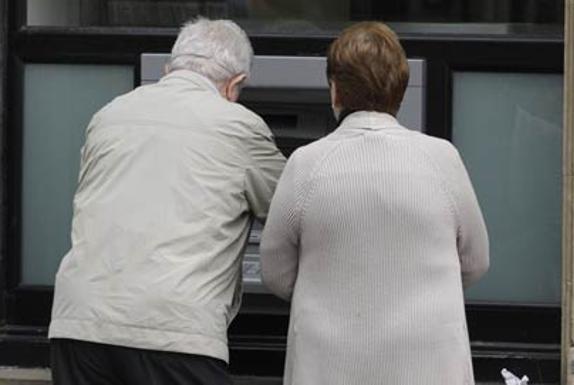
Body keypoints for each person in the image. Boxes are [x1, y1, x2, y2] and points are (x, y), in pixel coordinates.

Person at [49, 18, 286, 385]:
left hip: (80, 325)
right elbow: (289, 211)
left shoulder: (109, 115)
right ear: (234, 84)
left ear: (168, 70)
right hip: (175, 331)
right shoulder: (240, 126)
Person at [260, 22, 489, 385]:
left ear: (335, 91)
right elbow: (475, 262)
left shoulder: (305, 163)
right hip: (427, 365)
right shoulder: (442, 159)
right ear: (399, 91)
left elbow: (275, 272)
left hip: (329, 366)